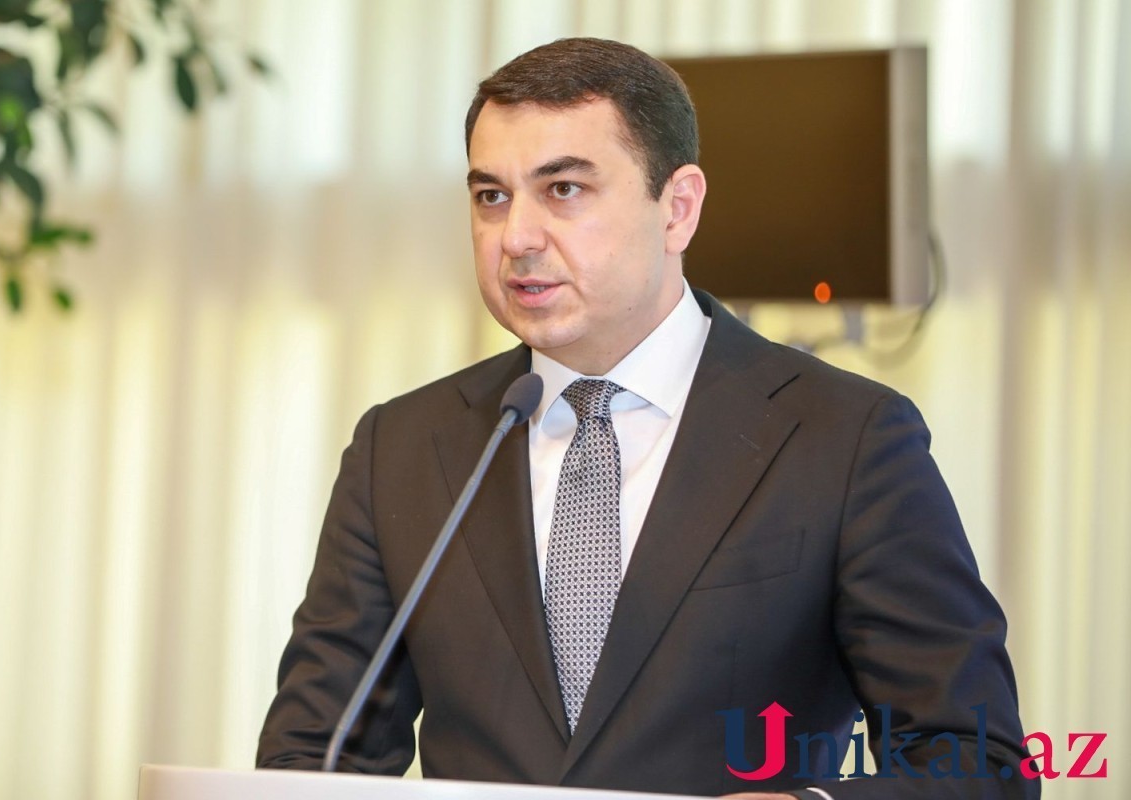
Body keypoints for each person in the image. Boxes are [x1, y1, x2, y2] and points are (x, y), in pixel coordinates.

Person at [257, 37, 1035, 800]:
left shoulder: (845, 438)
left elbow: (980, 762)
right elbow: (311, 760)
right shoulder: (401, 449)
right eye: (491, 196)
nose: (516, 237)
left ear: (678, 209)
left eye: (564, 189)